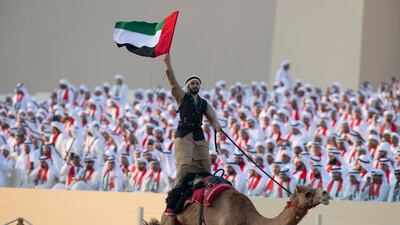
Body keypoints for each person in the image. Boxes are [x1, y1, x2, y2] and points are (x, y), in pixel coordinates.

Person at [163, 54, 221, 185]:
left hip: (198, 134)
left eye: (197, 83)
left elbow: (211, 115)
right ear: (188, 86)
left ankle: (204, 188)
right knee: (183, 164)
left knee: (205, 165)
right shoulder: (182, 97)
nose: (195, 85)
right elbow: (173, 84)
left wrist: (215, 124)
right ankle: (177, 189)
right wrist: (168, 65)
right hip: (184, 133)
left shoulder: (203, 102)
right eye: (192, 83)